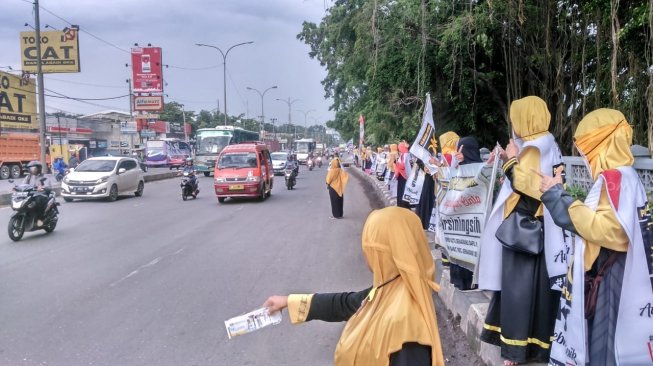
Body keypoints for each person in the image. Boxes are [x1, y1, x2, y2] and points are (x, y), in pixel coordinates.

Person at [537, 108, 652, 366]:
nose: (585, 159)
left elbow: (608, 231)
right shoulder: (624, 176)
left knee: (606, 345)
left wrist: (558, 196)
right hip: (619, 271)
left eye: (586, 151)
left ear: (601, 146)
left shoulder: (616, 178)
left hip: (613, 277)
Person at [264, 207, 444, 366]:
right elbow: (345, 304)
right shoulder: (393, 290)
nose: (366, 255)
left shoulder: (406, 329)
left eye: (370, 247)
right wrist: (288, 301)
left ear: (384, 253)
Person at [478, 96, 564, 365]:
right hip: (540, 229)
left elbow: (527, 186)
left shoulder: (535, 148)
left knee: (519, 291)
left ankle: (515, 351)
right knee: (534, 293)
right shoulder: (547, 142)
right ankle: (532, 346)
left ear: (525, 119)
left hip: (525, 228)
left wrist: (510, 160)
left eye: (515, 118)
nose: (513, 124)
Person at [22, 161, 52, 226]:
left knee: (38, 201)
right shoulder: (28, 177)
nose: (32, 170)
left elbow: (48, 186)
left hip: (42, 194)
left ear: (38, 168)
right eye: (31, 169)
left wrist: (42, 187)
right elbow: (23, 184)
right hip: (31, 194)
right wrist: (17, 188)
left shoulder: (44, 176)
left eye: (34, 168)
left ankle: (40, 219)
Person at [326, 153, 349, 219]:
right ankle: (340, 214)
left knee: (334, 202)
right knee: (340, 201)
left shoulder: (332, 171)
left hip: (333, 188)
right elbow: (345, 176)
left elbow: (328, 180)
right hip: (340, 187)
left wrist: (327, 183)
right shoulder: (340, 170)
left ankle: (336, 215)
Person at [395, 141, 411, 209]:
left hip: (404, 176)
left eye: (400, 147)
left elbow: (403, 166)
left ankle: (403, 205)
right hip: (402, 176)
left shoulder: (405, 155)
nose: (399, 149)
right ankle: (402, 205)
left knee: (403, 191)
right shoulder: (404, 154)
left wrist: (396, 162)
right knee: (402, 191)